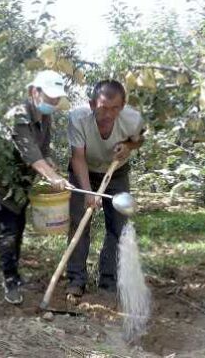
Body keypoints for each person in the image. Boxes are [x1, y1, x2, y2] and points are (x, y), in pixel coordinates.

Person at [0, 70, 74, 305]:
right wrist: (51, 176)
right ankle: (10, 281)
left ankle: (15, 275)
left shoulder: (44, 117)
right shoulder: (18, 116)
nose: (53, 103)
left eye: (55, 100)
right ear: (34, 92)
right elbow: (30, 154)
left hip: (19, 187)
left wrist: (50, 162)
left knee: (18, 229)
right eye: (49, 98)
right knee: (8, 232)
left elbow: (42, 150)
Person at [65, 79, 146, 298]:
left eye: (115, 108)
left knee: (117, 226)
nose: (109, 114)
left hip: (116, 173)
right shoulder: (77, 118)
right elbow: (78, 158)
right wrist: (88, 193)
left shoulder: (133, 119)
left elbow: (138, 140)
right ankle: (75, 279)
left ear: (123, 105)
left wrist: (128, 147)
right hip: (84, 171)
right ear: (92, 104)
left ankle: (108, 282)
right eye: (103, 108)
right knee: (79, 223)